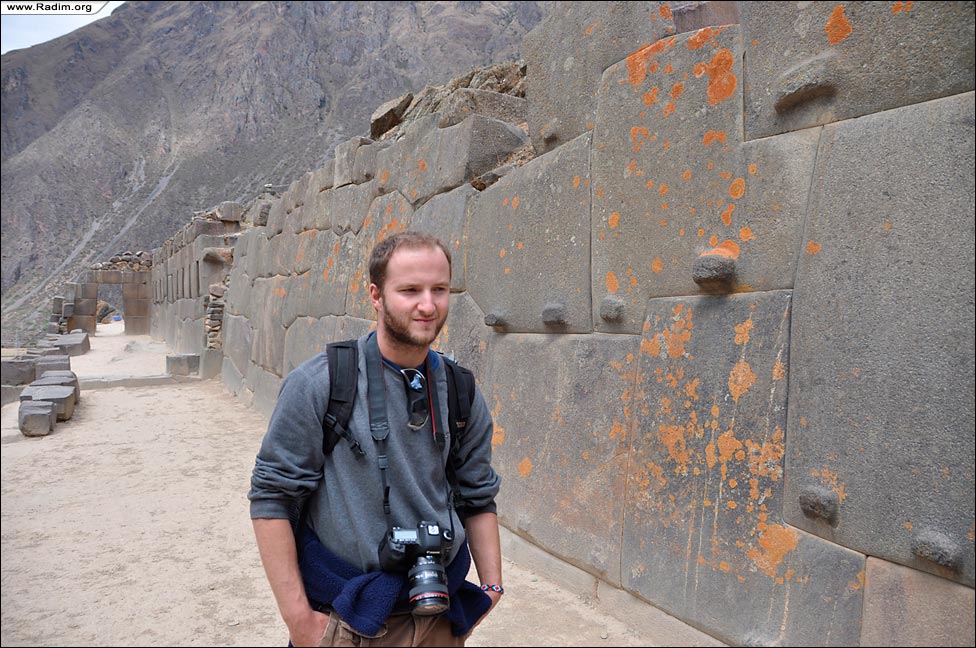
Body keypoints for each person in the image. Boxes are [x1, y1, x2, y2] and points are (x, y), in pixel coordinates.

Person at [249, 231, 503, 647]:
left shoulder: (460, 389)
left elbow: (478, 494)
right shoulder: (322, 384)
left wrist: (491, 588)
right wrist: (300, 621)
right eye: (410, 290)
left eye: (439, 289)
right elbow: (271, 496)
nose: (428, 305)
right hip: (347, 617)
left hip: (440, 612)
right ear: (376, 295)